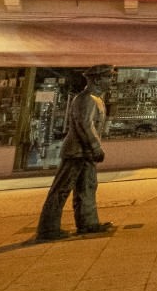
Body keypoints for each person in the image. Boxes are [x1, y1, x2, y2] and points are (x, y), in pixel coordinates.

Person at [36, 65, 116, 241]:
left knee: (87, 187)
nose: (111, 81)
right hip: (76, 152)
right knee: (61, 189)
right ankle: (48, 229)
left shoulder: (96, 99)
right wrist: (95, 147)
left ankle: (88, 223)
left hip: (85, 153)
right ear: (96, 79)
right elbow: (84, 125)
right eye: (108, 77)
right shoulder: (86, 99)